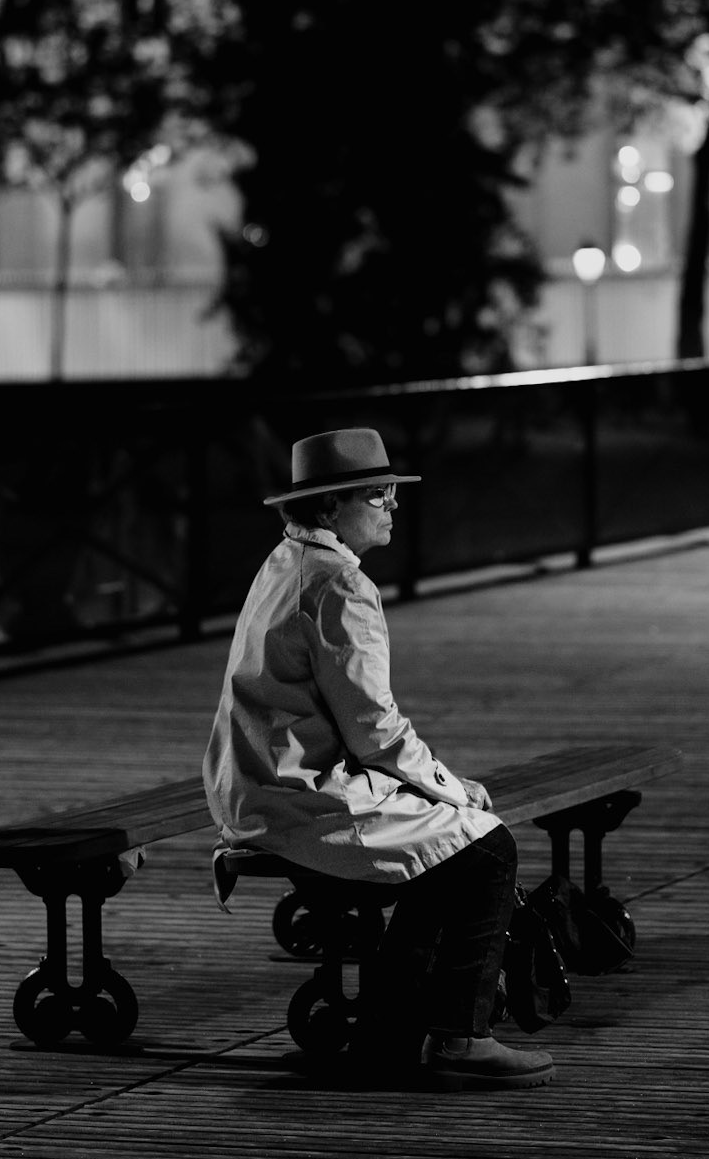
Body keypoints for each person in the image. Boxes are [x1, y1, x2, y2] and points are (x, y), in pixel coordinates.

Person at [203, 426, 553, 1091]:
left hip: (253, 783)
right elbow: (377, 733)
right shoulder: (339, 585)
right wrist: (454, 788)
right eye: (378, 494)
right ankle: (458, 1035)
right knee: (487, 850)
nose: (392, 505)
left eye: (392, 492)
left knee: (444, 855)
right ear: (333, 508)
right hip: (301, 794)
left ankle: (388, 1035)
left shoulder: (284, 563)